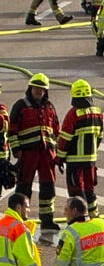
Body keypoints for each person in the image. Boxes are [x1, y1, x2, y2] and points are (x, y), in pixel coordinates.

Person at [8, 73, 60, 231]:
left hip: (46, 154)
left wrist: (56, 151)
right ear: (31, 88)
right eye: (37, 88)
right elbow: (12, 131)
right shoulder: (20, 106)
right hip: (28, 154)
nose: (39, 91)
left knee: (48, 187)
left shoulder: (49, 106)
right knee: (24, 187)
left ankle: (47, 220)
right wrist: (17, 151)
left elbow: (56, 130)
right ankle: (20, 220)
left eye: (42, 89)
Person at [55, 80, 103, 219]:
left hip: (75, 163)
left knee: (77, 193)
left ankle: (81, 220)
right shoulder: (98, 112)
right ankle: (95, 218)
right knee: (90, 191)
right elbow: (99, 136)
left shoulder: (73, 114)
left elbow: (65, 139)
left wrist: (59, 158)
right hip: (91, 161)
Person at [0, 192, 46, 266]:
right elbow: (26, 263)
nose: (29, 210)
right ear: (18, 208)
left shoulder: (1, 224)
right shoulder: (19, 229)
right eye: (27, 207)